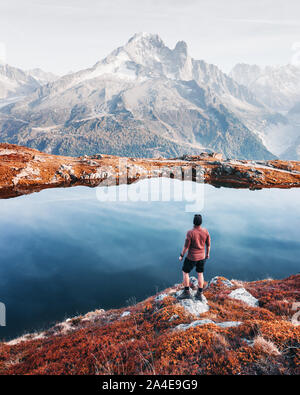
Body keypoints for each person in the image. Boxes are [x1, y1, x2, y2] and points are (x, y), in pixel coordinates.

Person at [178, 214, 211, 301]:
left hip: (192, 257)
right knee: (200, 273)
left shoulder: (190, 233)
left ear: (193, 222)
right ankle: (199, 293)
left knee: (185, 272)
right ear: (201, 222)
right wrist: (207, 254)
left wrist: (181, 255)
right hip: (202, 257)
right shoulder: (205, 231)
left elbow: (186, 247)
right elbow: (208, 245)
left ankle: (186, 292)